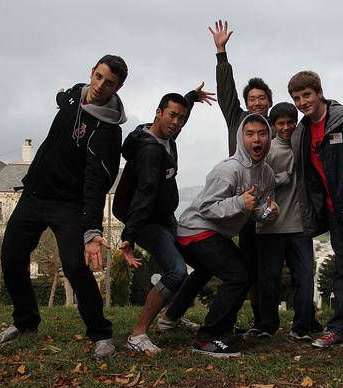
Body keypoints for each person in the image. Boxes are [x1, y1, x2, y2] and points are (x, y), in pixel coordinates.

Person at [0, 55, 128, 358]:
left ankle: (101, 335)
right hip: (34, 194)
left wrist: (91, 229)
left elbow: (97, 183)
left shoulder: (107, 132)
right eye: (99, 76)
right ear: (92, 72)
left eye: (110, 83)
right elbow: (64, 95)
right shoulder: (73, 97)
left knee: (74, 266)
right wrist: (62, 96)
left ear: (118, 88)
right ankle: (25, 322)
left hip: (67, 205)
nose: (100, 86)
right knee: (11, 258)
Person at [157, 19, 271, 333]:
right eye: (253, 99)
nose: (257, 103)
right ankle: (192, 321)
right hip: (227, 206)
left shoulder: (272, 129)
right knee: (231, 270)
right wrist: (221, 54)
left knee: (235, 268)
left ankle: (256, 321)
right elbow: (226, 93)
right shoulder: (238, 119)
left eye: (262, 99)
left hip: (252, 212)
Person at [166, 114, 278, 358]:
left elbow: (251, 212)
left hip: (215, 233)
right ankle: (207, 337)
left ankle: (222, 326)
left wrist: (266, 215)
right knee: (238, 275)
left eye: (262, 133)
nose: (256, 139)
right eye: (250, 134)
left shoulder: (267, 175)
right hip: (194, 230)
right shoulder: (229, 169)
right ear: (241, 138)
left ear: (269, 137)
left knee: (244, 274)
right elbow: (206, 207)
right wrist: (239, 201)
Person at [118, 86, 215, 354]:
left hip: (164, 216)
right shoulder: (150, 150)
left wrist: (192, 98)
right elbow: (145, 194)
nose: (176, 122)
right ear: (158, 113)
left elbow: (180, 118)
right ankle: (138, 334)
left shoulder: (167, 135)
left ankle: (170, 318)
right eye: (171, 116)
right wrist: (129, 236)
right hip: (146, 220)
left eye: (180, 118)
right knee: (176, 271)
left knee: (201, 262)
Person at [288, 70, 343, 348]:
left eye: (306, 95)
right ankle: (341, 329)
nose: (302, 102)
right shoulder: (302, 132)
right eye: (297, 98)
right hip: (337, 212)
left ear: (319, 93)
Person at [256, 102, 322, 340]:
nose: (286, 127)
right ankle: (267, 325)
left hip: (299, 224)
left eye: (290, 122)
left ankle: (302, 326)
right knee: (269, 278)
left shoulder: (302, 146)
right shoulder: (268, 150)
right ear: (273, 125)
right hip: (269, 226)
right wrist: (281, 179)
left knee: (304, 276)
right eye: (280, 123)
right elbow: (257, 183)